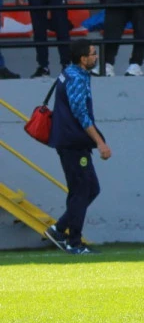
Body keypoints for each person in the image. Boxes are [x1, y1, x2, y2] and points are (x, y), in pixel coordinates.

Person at [42, 41, 109, 255]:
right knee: (82, 190)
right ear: (83, 58)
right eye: (93, 54)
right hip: (73, 143)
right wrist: (100, 142)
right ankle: (74, 242)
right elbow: (80, 113)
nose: (96, 57)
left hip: (70, 141)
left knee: (89, 189)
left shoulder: (69, 73)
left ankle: (59, 229)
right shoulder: (77, 78)